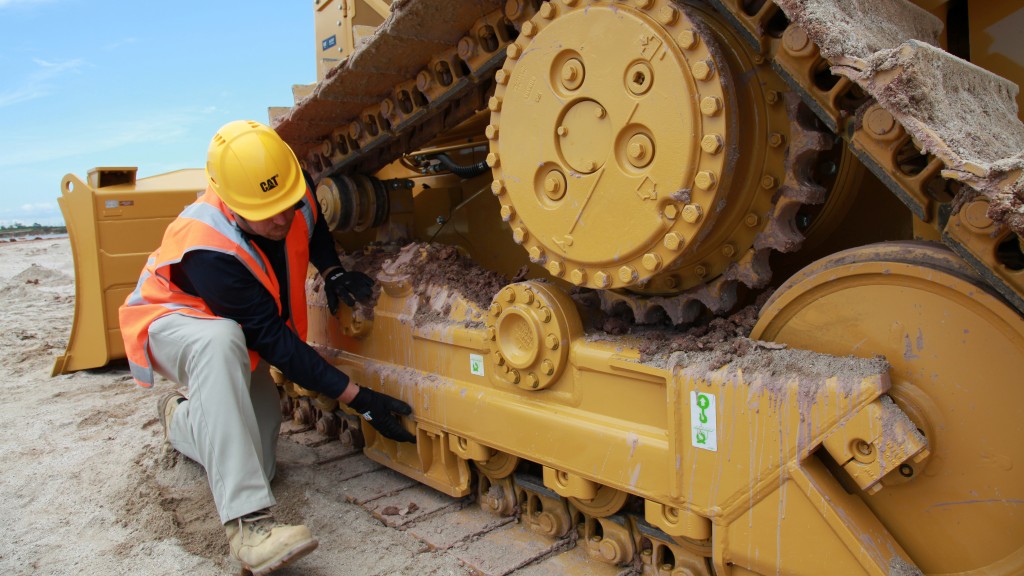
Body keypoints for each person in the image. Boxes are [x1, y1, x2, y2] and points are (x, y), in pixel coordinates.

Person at [119, 119, 416, 575]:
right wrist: (359, 398)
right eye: (269, 211)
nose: (284, 217)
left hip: (233, 333)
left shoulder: (289, 192)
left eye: (289, 202)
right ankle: (249, 528)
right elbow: (274, 341)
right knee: (220, 339)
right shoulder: (208, 248)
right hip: (173, 322)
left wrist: (332, 271)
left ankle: (180, 419)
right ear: (233, 205)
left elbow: (311, 225)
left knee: (256, 463)